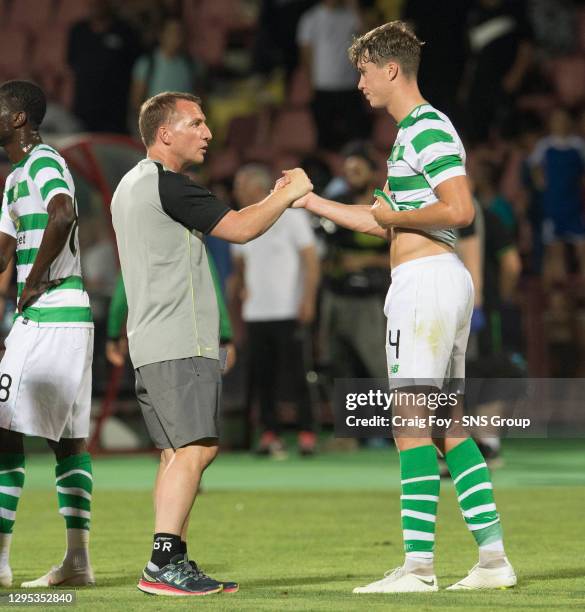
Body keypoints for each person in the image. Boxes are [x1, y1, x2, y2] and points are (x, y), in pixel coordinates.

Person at [293, 21, 516, 592]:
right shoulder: (411, 135)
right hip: (433, 282)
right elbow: (379, 218)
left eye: (364, 72)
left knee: (409, 425)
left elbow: (460, 208)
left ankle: (418, 569)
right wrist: (311, 199)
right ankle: (492, 561)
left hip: (426, 284)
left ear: (391, 70)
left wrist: (395, 218)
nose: (360, 84)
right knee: (446, 426)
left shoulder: (426, 128)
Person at [110, 91, 312, 597]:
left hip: (149, 338)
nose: (208, 133)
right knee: (197, 448)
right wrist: (287, 193)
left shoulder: (128, 186)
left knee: (175, 453)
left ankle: (171, 559)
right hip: (181, 338)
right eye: (196, 124)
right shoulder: (171, 187)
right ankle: (162, 565)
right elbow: (242, 229)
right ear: (165, 133)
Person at [0, 81, 94, 588]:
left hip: (51, 309)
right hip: (54, 315)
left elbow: (63, 213)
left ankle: (1, 561)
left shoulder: (42, 162)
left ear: (18, 119)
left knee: (4, 432)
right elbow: (1, 253)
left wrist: (34, 280)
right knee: (68, 441)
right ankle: (78, 561)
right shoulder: (16, 178)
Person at [231, 164, 320, 456]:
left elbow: (311, 260)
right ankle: (270, 433)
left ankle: (307, 432)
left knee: (296, 374)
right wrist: (242, 287)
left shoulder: (292, 216)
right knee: (262, 376)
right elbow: (241, 261)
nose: (236, 190)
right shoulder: (241, 219)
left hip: (287, 309)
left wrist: (307, 299)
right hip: (256, 312)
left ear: (256, 186)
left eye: (241, 184)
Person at [297, 0, 370, 150]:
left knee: (356, 138)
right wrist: (311, 82)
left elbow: (369, 38)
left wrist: (355, 8)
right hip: (322, 86)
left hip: (349, 86)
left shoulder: (351, 15)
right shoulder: (310, 18)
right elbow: (305, 52)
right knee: (325, 140)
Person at [67, 0, 141, 133]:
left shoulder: (126, 31)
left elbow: (137, 68)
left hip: (115, 113)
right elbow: (71, 63)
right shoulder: (78, 31)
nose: (95, 4)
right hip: (83, 110)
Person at [130, 17, 201, 118]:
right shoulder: (147, 64)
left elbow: (197, 97)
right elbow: (136, 102)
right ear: (161, 35)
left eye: (179, 33)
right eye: (171, 32)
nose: (176, 37)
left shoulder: (190, 65)